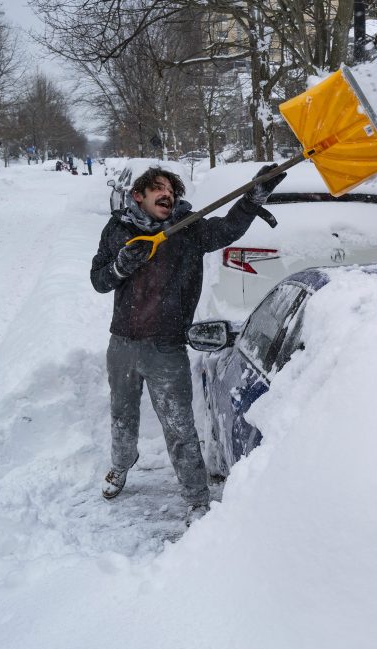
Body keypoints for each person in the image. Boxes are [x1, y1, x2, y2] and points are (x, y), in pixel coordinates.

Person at [89, 165, 283, 525]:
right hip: (123, 344)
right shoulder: (119, 229)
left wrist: (255, 197)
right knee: (122, 415)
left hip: (167, 347)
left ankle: (196, 498)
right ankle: (121, 464)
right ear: (138, 196)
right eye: (158, 188)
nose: (167, 194)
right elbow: (98, 280)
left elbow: (228, 228)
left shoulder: (188, 229)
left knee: (179, 427)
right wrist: (120, 266)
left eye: (172, 191)